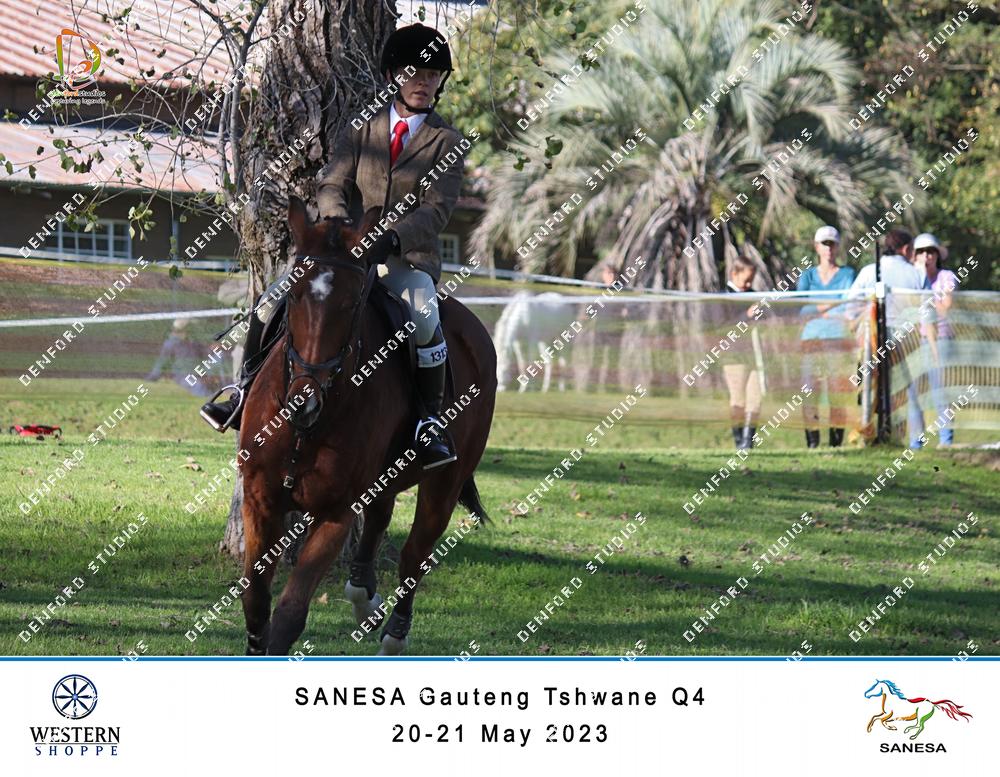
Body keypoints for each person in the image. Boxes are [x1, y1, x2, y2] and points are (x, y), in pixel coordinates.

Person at [200, 24, 464, 469]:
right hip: (343, 252)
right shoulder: (362, 128)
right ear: (392, 76)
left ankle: (428, 422)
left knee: (424, 315)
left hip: (403, 259)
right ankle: (242, 391)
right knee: (270, 302)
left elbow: (436, 210)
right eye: (414, 73)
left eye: (433, 75)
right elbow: (331, 183)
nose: (423, 82)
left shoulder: (447, 142)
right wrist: (340, 225)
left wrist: (391, 238)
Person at [848, 229, 925, 447]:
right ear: (906, 249)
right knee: (907, 391)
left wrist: (860, 331)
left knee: (870, 388)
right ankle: (907, 440)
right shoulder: (916, 274)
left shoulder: (868, 271)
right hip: (906, 338)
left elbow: (851, 306)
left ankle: (868, 435)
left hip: (872, 339)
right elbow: (926, 309)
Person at [796, 226, 855, 448]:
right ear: (816, 247)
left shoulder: (847, 274)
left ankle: (835, 444)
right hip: (811, 340)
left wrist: (818, 308)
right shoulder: (807, 276)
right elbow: (802, 309)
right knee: (809, 391)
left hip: (837, 340)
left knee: (836, 392)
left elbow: (848, 307)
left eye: (832, 243)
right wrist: (829, 306)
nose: (828, 248)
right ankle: (812, 443)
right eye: (824, 243)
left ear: (838, 247)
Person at [913, 232, 958, 446]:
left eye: (930, 251)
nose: (926, 256)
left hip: (941, 339)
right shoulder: (912, 278)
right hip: (916, 340)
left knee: (940, 390)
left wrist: (926, 299)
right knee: (914, 393)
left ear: (937, 255)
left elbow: (946, 307)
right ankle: (916, 443)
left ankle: (945, 441)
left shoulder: (946, 277)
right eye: (921, 252)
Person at [721, 256, 762, 449]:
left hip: (755, 355)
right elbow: (722, 326)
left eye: (751, 281)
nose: (748, 285)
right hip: (734, 357)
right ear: (734, 274)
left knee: (755, 398)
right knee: (738, 399)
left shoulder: (753, 296)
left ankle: (748, 443)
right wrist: (746, 316)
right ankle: (739, 442)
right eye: (746, 280)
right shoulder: (723, 297)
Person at [146, 318, 214, 397]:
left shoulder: (194, 342)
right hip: (183, 378)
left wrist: (212, 349)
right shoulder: (171, 344)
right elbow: (160, 365)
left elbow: (205, 354)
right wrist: (149, 381)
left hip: (199, 375)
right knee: (198, 386)